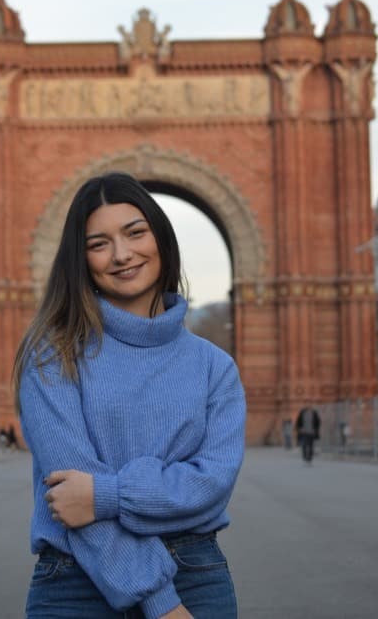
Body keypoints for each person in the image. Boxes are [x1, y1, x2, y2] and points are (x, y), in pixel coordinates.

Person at [13, 172, 246, 619]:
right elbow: (66, 494)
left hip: (196, 574)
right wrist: (161, 602)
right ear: (81, 260)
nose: (121, 254)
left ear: (161, 236)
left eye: (135, 232)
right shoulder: (52, 355)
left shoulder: (214, 367)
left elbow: (211, 486)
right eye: (98, 244)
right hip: (75, 584)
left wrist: (106, 495)